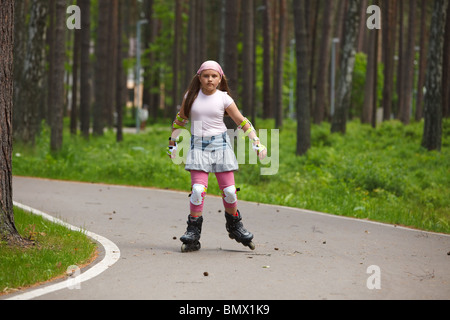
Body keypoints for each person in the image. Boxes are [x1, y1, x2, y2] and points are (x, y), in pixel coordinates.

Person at [167, 60, 267, 253]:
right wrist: (172, 145)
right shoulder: (190, 97)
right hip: (198, 145)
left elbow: (242, 121)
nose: (210, 79)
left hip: (221, 144)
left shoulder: (224, 98)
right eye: (206, 76)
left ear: (220, 78)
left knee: (230, 191)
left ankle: (235, 226)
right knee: (197, 190)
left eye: (214, 76)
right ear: (199, 78)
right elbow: (179, 123)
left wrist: (256, 142)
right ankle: (193, 232)